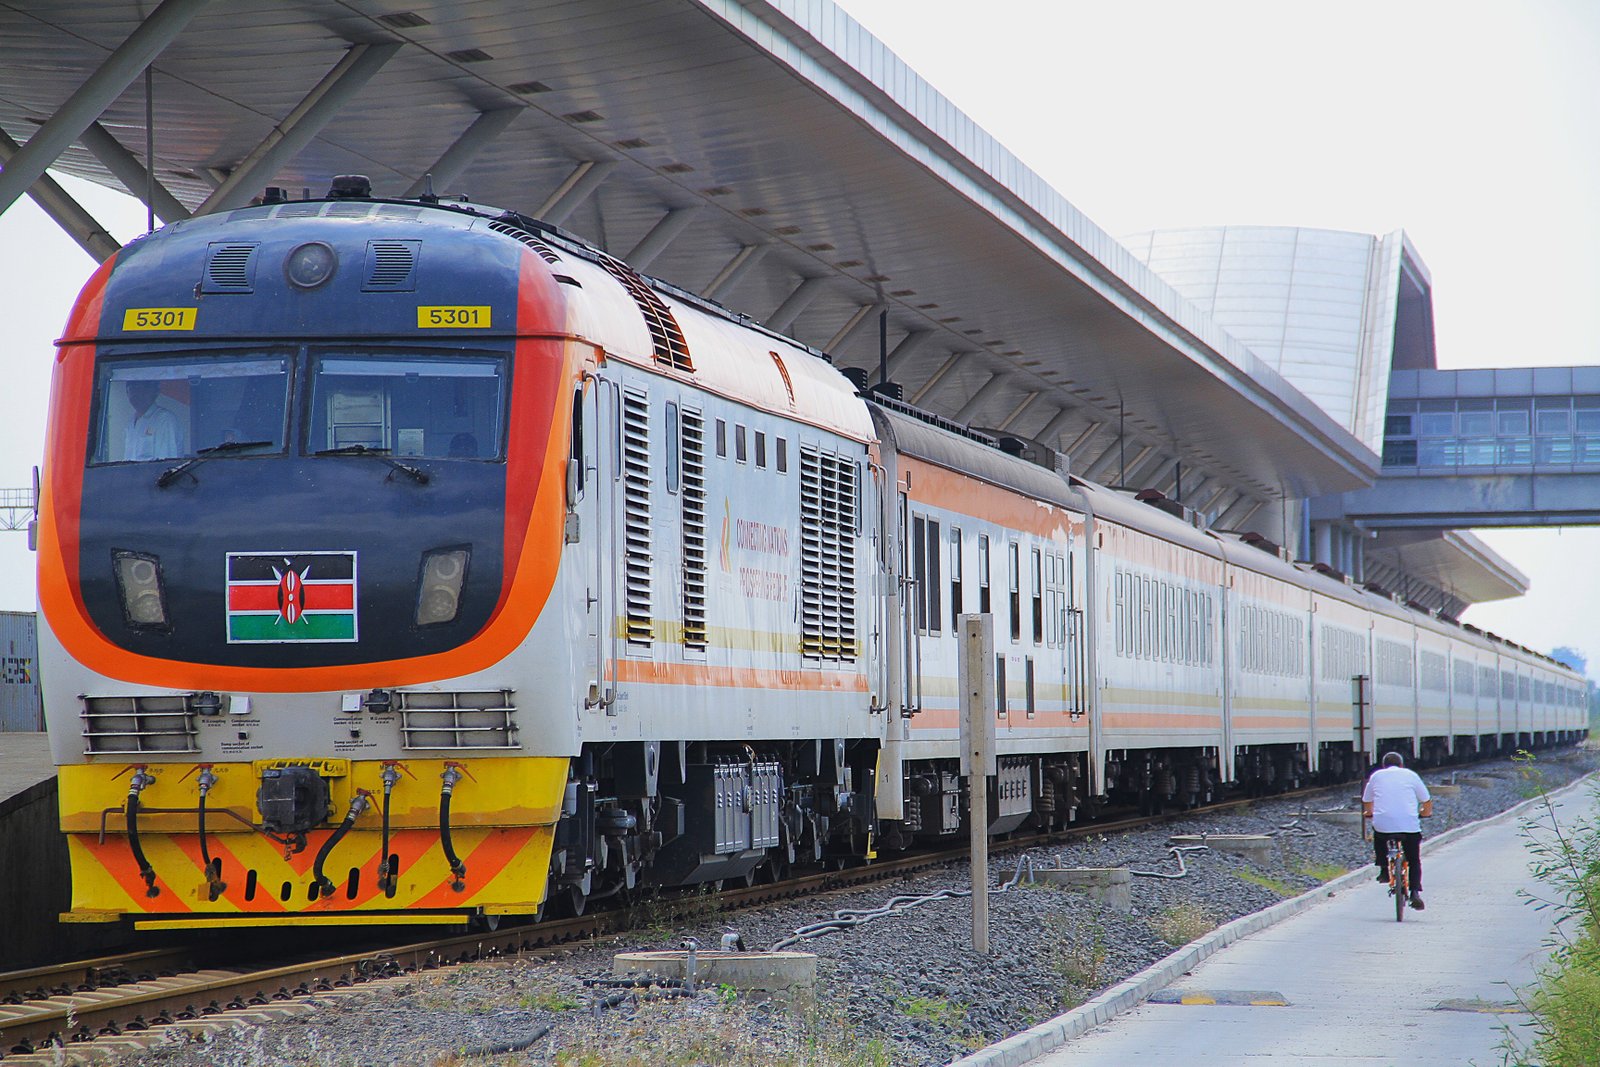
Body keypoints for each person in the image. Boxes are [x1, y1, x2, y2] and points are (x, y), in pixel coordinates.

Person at [1362, 751, 1433, 910]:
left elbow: (1367, 801)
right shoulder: (1411, 775)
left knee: (1379, 837)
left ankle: (1383, 870)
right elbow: (1426, 800)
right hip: (1409, 825)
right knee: (1414, 859)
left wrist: (1369, 813)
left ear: (1384, 765)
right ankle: (1415, 892)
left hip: (1383, 824)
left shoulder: (1376, 776)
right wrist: (1425, 813)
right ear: (1401, 765)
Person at [122, 380, 184, 461]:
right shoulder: (131, 423)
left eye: (141, 389)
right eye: (132, 389)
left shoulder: (164, 419)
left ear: (154, 392)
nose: (136, 394)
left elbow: (165, 465)